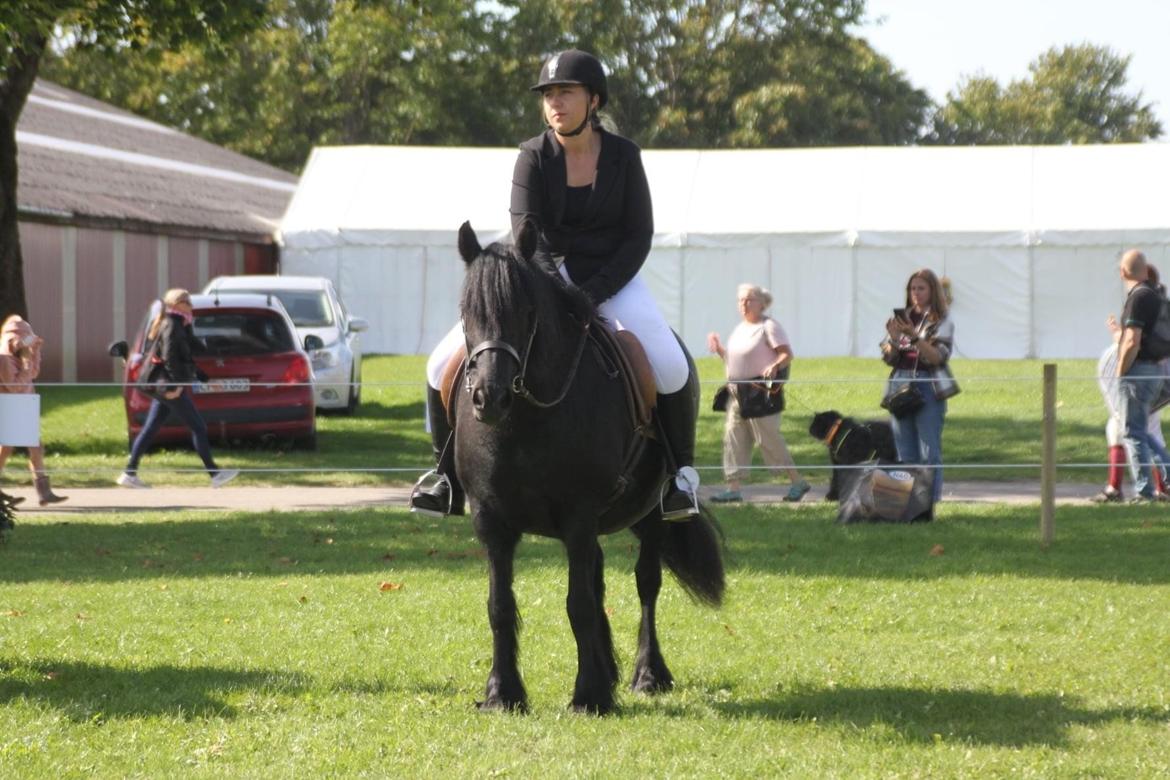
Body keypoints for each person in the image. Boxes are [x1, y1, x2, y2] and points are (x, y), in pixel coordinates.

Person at [412, 49, 700, 521]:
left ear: (594, 100)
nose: (555, 102)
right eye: (548, 95)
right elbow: (528, 230)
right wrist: (557, 292)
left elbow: (638, 236)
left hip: (612, 279)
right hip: (538, 275)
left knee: (669, 362)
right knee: (440, 361)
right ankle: (444, 478)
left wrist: (594, 292)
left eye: (565, 92)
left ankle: (680, 478)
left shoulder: (624, 156)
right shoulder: (532, 155)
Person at [115, 289, 238, 489]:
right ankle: (215, 474)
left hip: (164, 384)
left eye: (189, 301)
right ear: (176, 304)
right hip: (168, 385)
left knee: (151, 427)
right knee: (198, 427)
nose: (191, 305)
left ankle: (129, 473)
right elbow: (171, 358)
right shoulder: (172, 325)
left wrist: (205, 379)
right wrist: (176, 386)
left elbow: (187, 356)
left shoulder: (179, 324)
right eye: (186, 301)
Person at [706, 284, 809, 503]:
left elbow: (786, 354)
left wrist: (774, 365)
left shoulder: (769, 326)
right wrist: (719, 349)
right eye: (740, 300)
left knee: (769, 439)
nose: (743, 304)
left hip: (759, 394)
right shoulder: (739, 329)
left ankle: (797, 482)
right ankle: (733, 488)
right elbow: (734, 360)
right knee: (733, 438)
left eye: (749, 299)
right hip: (736, 393)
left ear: (762, 303)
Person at [879, 268, 955, 503]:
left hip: (928, 385)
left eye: (921, 288)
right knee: (904, 450)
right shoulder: (902, 318)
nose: (916, 293)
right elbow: (889, 358)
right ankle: (906, 504)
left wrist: (913, 337)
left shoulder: (941, 321)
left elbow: (937, 357)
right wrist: (893, 339)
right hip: (900, 383)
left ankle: (929, 503)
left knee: (928, 451)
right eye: (912, 288)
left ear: (933, 291)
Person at [1112, 249, 1167, 503]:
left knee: (1132, 432)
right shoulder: (1157, 295)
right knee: (1142, 430)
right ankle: (1167, 476)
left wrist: (1120, 370)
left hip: (1139, 370)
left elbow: (1132, 340)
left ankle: (1145, 491)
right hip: (1157, 368)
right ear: (1145, 270)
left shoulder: (1138, 297)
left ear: (1123, 272)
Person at [0, 315, 67, 506]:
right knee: (12, 448)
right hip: (11, 406)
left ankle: (44, 492)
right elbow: (13, 386)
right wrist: (27, 364)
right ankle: (44, 491)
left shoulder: (23, 354)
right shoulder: (4, 358)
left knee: (30, 448)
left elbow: (34, 374)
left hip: (24, 404)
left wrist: (34, 353)